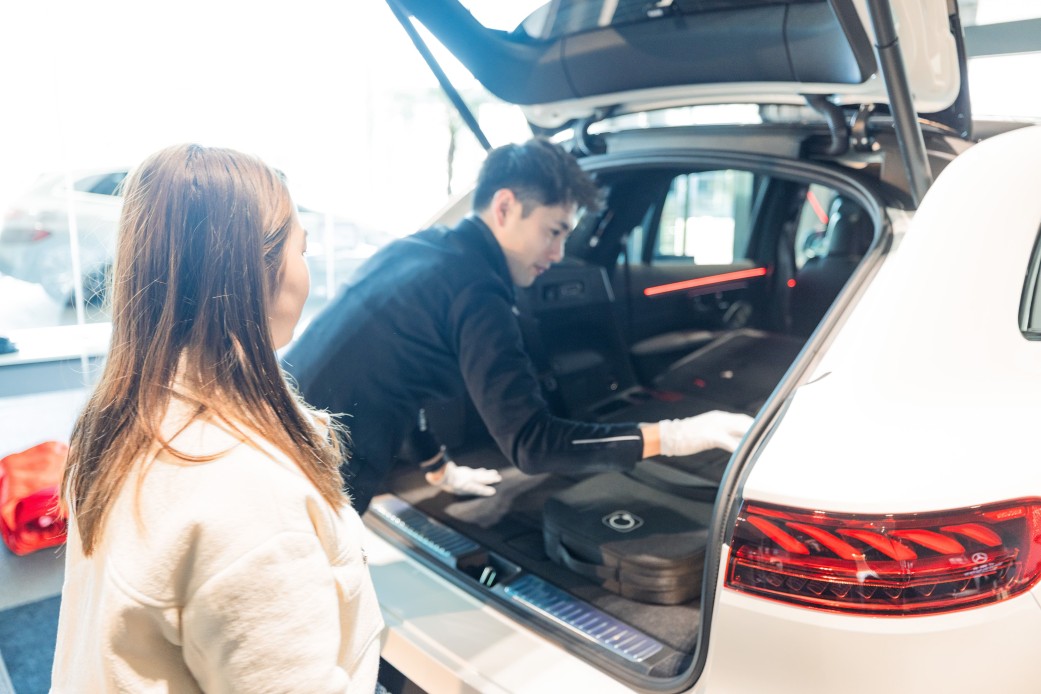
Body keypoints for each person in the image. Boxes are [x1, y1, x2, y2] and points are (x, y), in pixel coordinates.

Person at [51, 144, 383, 693]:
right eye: (302, 247)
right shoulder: (249, 496)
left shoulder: (122, 421)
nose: (306, 269)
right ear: (261, 273)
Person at [283, 138, 752, 514]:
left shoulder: (419, 248)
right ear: (505, 208)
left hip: (273, 433)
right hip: (315, 484)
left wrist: (437, 468)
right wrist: (675, 434)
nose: (559, 254)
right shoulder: (477, 289)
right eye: (554, 231)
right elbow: (533, 445)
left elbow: (398, 374)